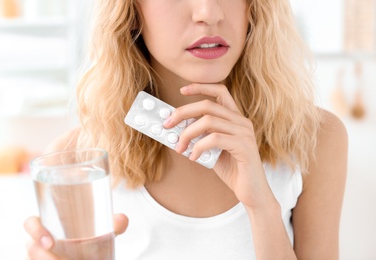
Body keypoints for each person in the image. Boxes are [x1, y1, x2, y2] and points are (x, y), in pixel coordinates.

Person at [24, 0, 348, 259]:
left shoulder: (317, 138)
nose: (209, 13)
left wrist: (262, 206)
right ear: (132, 11)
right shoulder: (75, 163)